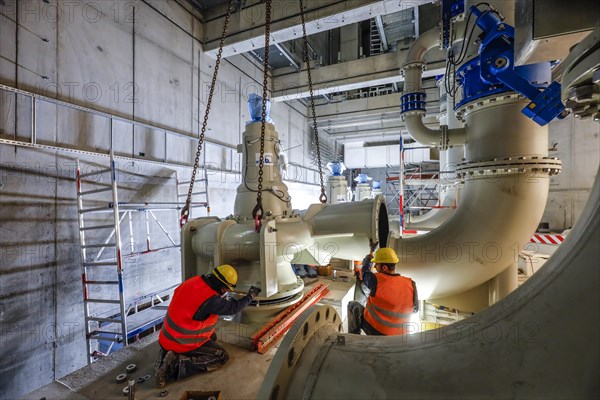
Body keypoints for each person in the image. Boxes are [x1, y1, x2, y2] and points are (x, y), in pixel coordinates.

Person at [154, 264, 261, 387]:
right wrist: (250, 296)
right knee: (221, 356)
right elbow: (233, 308)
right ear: (222, 286)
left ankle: (166, 354)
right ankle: (175, 366)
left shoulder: (194, 281)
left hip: (165, 337)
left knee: (212, 336)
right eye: (226, 289)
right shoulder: (211, 300)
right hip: (181, 341)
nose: (225, 292)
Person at [348, 245, 418, 336]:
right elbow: (415, 309)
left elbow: (365, 271)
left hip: (375, 330)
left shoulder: (376, 280)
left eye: (376, 265)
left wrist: (370, 254)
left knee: (353, 306)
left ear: (384, 267)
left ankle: (354, 338)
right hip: (400, 336)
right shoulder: (411, 284)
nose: (375, 268)